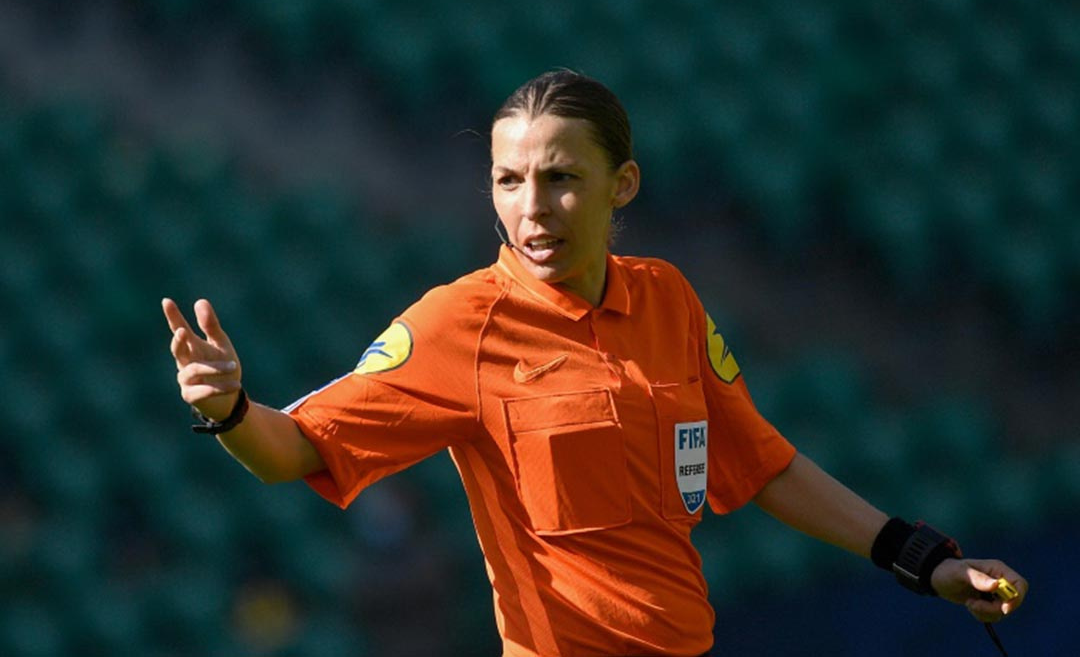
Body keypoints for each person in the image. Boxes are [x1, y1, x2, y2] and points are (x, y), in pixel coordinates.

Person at [163, 70, 1027, 657]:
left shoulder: (668, 299)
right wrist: (231, 409)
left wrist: (923, 561)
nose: (531, 209)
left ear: (624, 185)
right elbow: (297, 451)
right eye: (508, 181)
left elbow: (763, 466)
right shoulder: (458, 323)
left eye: (560, 178)